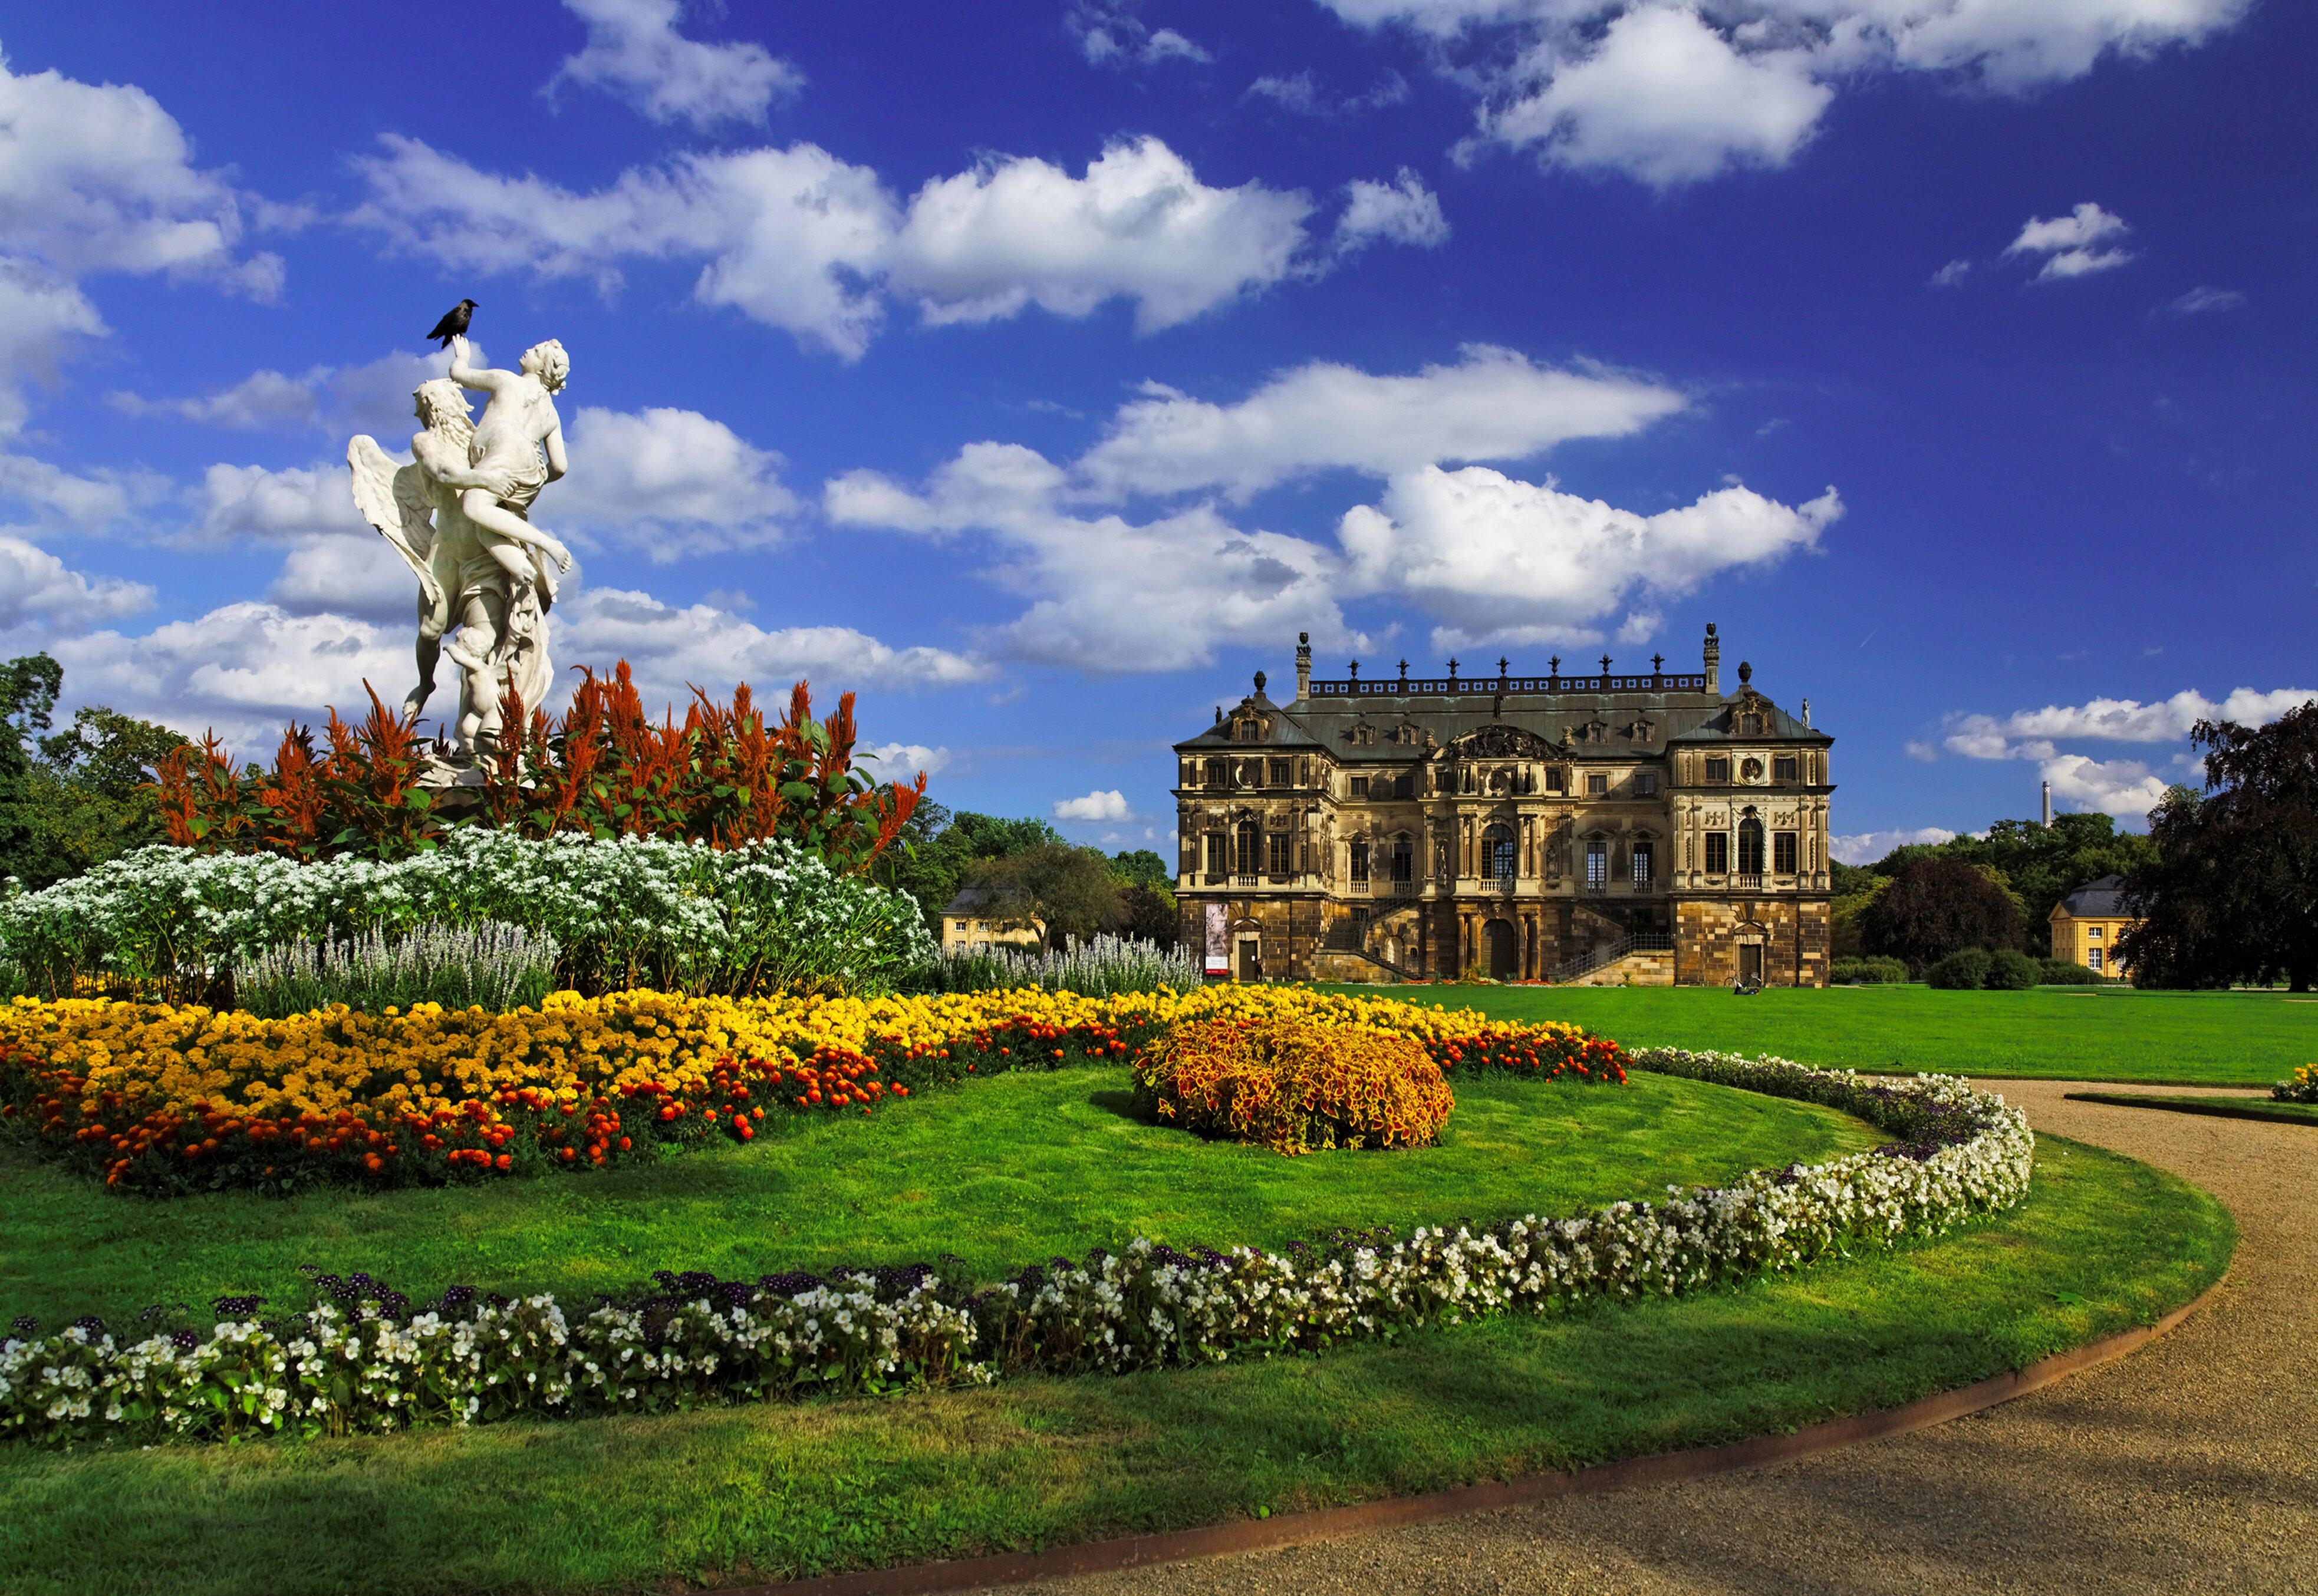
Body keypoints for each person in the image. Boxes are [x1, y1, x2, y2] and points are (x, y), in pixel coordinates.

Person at [446, 334, 575, 603]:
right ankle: (524, 571)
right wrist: (535, 481)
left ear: (542, 368)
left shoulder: (507, 380)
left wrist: (462, 357)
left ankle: (547, 544)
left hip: (505, 449)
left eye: (537, 351)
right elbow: (560, 466)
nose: (529, 349)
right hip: (532, 469)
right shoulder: (552, 414)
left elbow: (459, 375)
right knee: (486, 526)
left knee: (474, 507)